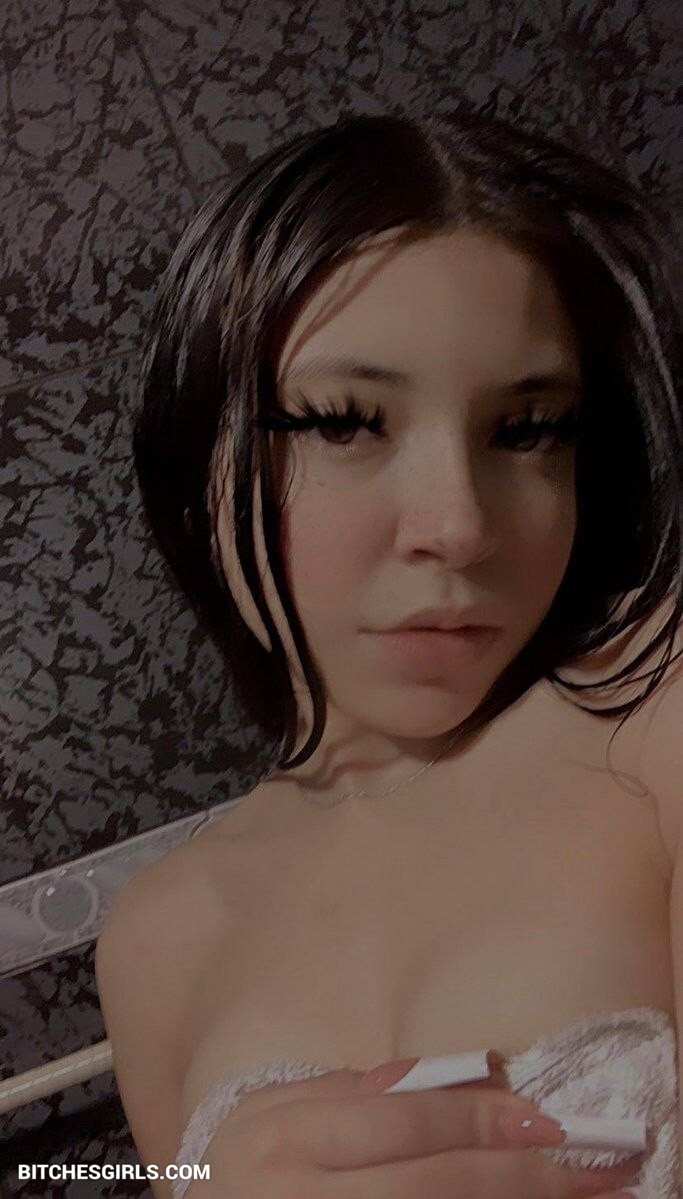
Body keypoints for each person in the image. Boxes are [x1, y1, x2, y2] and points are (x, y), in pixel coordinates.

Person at [95, 106, 682, 1199]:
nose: (457, 525)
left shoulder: (654, 695)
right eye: (342, 421)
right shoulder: (156, 938)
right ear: (194, 453)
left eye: (527, 429)